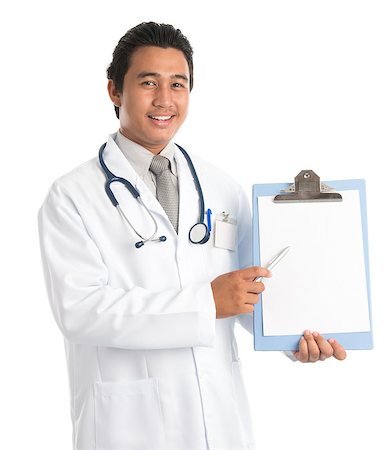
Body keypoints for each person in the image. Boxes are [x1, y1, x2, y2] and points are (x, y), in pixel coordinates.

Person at [38, 21, 346, 450]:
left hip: (218, 421)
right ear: (114, 91)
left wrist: (292, 338)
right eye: (148, 82)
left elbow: (249, 293)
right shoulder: (72, 196)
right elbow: (81, 309)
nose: (164, 100)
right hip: (128, 424)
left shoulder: (220, 186)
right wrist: (205, 303)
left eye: (178, 84)